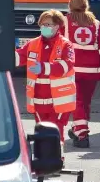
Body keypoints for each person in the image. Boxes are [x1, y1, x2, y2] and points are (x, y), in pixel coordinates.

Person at [16, 10, 76, 154]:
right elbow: (18, 57)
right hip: (38, 100)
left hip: (58, 101)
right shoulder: (33, 44)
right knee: (41, 132)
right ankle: (43, 162)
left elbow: (66, 65)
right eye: (42, 24)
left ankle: (57, 161)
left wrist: (43, 67)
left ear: (57, 26)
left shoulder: (66, 45)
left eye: (48, 24)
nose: (44, 27)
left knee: (56, 132)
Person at [61, 0, 100, 148]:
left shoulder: (64, 22)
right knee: (85, 101)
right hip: (92, 71)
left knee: (76, 101)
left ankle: (82, 133)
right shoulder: (97, 24)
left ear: (70, 6)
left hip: (72, 70)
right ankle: (77, 128)